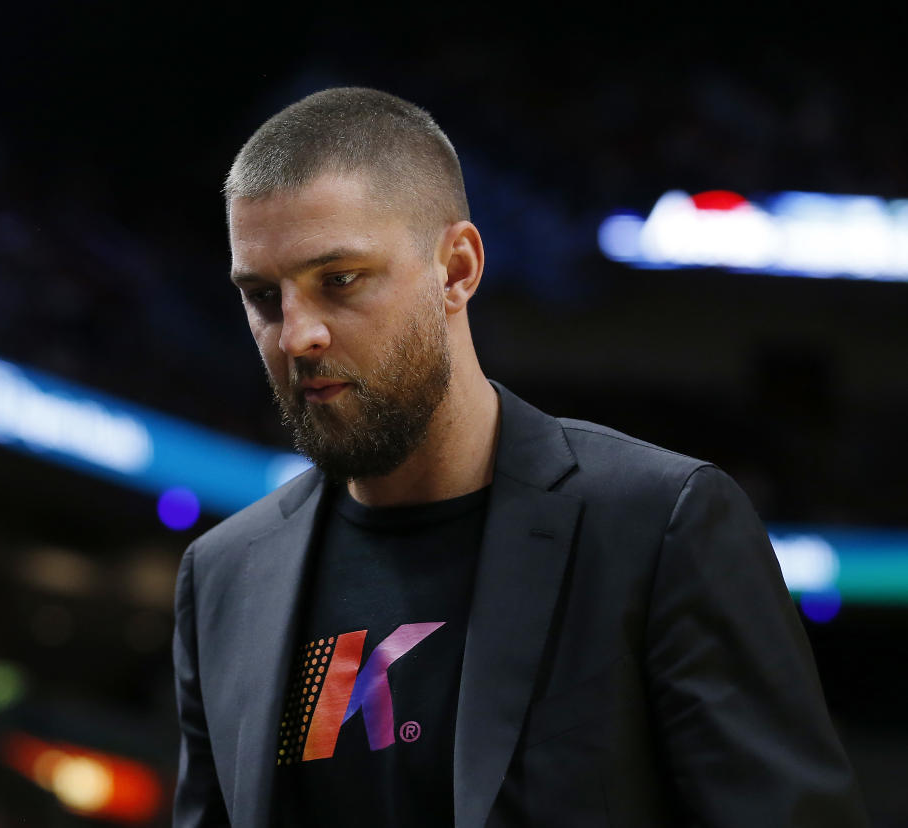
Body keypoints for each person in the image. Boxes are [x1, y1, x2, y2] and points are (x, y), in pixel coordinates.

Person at [172, 87, 866, 827]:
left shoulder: (658, 527)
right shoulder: (222, 578)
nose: (296, 335)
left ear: (458, 268)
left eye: (339, 281)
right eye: (264, 297)